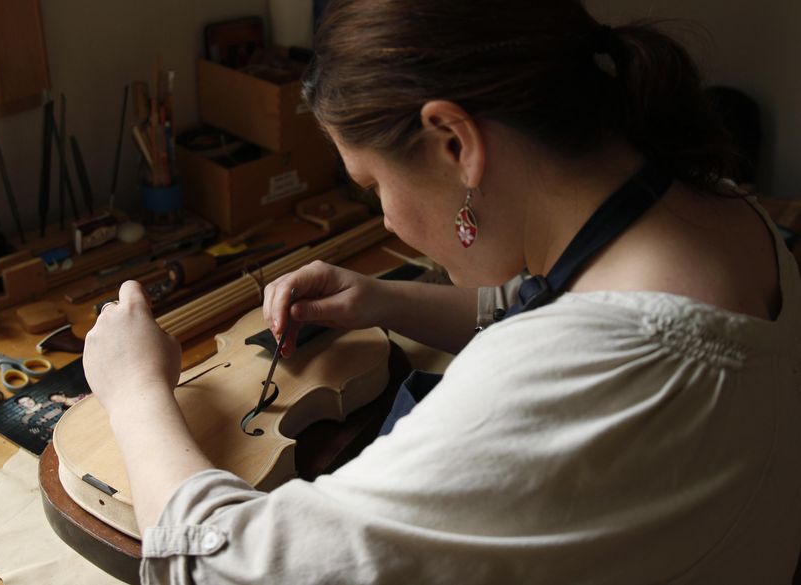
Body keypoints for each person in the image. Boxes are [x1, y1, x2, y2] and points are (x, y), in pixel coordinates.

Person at [83, 1, 801, 583]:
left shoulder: (576, 377)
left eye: (374, 188)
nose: (387, 220)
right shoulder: (736, 220)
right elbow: (570, 306)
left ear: (455, 142)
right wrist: (385, 300)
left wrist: (136, 388)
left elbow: (231, 566)